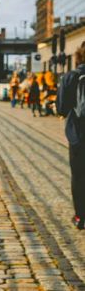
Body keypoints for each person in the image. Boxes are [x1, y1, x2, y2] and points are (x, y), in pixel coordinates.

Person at [57, 41, 85, 230]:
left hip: (79, 134)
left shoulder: (71, 77)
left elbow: (62, 108)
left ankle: (80, 217)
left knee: (79, 175)